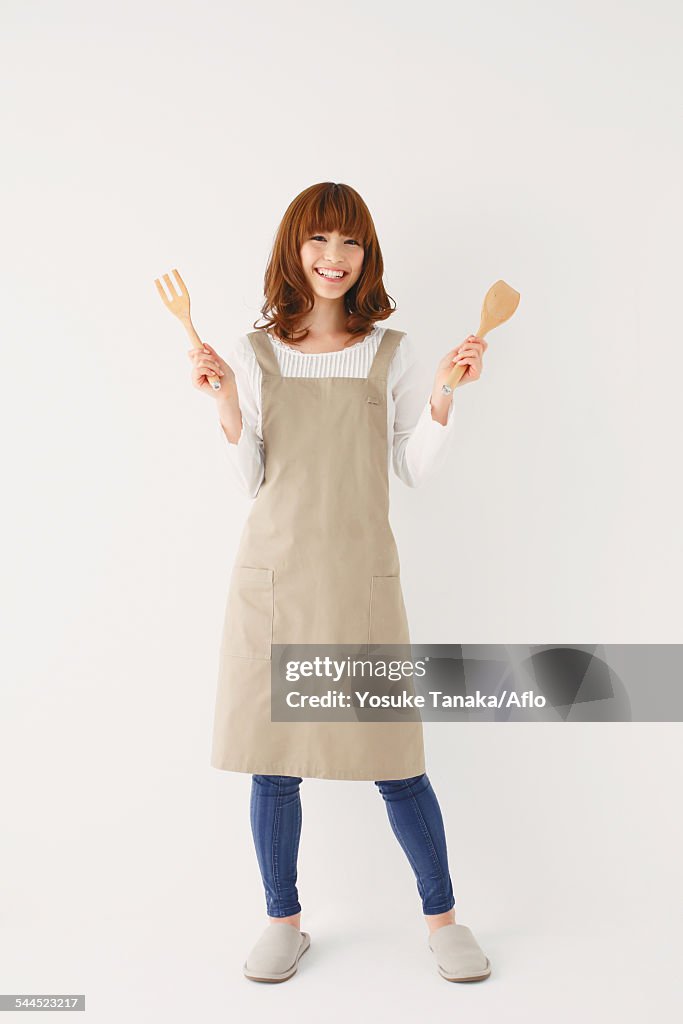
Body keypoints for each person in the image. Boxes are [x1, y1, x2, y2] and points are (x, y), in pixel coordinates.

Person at [188, 182, 491, 984]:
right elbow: (251, 474)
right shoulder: (255, 353)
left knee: (396, 761)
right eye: (319, 240)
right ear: (294, 249)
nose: (333, 257)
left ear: (367, 256)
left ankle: (443, 920)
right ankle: (283, 921)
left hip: (359, 581)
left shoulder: (391, 350)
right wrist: (223, 405)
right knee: (273, 762)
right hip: (275, 578)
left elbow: (412, 468)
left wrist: (444, 395)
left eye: (349, 242)